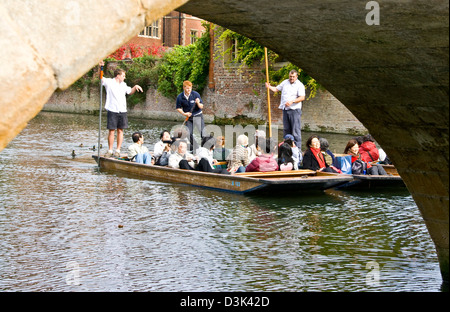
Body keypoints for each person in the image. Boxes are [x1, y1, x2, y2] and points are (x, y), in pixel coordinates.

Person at [99, 61, 143, 157]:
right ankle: (110, 150)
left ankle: (118, 150)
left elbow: (130, 92)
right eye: (123, 75)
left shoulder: (123, 85)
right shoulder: (109, 82)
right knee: (111, 130)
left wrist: (135, 87)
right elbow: (101, 78)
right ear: (118, 75)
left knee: (120, 130)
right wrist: (101, 68)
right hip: (112, 109)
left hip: (122, 110)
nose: (124, 77)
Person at [265, 70, 306, 149]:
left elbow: (302, 97)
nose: (291, 78)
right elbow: (276, 89)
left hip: (294, 110)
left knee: (295, 130)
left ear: (296, 77)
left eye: (293, 77)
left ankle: (297, 149)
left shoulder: (299, 85)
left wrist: (292, 101)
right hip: (285, 109)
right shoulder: (285, 82)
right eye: (290, 76)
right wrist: (269, 87)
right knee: (286, 129)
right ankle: (286, 148)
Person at [176, 80, 206, 152]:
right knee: (188, 133)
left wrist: (198, 103)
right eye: (187, 88)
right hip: (189, 118)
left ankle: (205, 149)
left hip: (198, 116)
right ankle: (196, 148)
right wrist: (184, 113)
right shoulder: (180, 97)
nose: (189, 90)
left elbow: (201, 106)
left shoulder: (196, 94)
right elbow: (178, 108)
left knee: (203, 133)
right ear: (184, 87)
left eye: (190, 88)